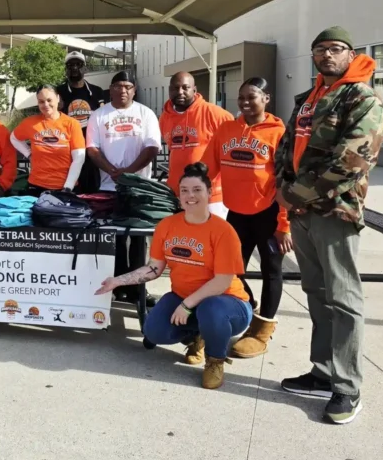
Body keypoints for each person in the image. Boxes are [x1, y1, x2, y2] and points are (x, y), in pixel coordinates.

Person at [275, 27, 383, 425]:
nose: (326, 55)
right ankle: (323, 372)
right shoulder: (309, 99)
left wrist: (296, 194)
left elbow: (354, 159)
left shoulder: (362, 98)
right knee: (317, 294)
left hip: (334, 212)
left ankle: (348, 387)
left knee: (344, 300)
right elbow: (286, 148)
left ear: (350, 53)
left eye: (335, 49)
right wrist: (280, 187)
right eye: (319, 50)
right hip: (304, 213)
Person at [95, 162, 251, 390]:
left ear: (209, 193)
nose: (190, 195)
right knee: (154, 331)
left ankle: (215, 360)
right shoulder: (167, 225)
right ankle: (200, 334)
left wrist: (187, 305)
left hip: (228, 303)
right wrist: (117, 281)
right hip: (183, 297)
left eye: (197, 190)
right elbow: (154, 268)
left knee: (211, 310)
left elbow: (222, 281)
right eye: (184, 190)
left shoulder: (223, 231)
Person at [204, 78, 291, 359]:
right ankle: (249, 304)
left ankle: (262, 331)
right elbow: (208, 166)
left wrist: (285, 224)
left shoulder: (278, 133)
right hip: (236, 214)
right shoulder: (227, 129)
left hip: (268, 214)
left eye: (251, 97)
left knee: (271, 270)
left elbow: (288, 181)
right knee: (231, 269)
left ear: (266, 98)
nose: (244, 102)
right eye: (240, 97)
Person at [86, 71, 161, 306]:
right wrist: (112, 171)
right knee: (114, 238)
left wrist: (129, 173)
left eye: (128, 86)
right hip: (109, 186)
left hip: (140, 188)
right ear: (110, 88)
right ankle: (117, 286)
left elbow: (152, 148)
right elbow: (92, 149)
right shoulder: (98, 115)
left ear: (134, 89)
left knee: (139, 241)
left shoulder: (145, 113)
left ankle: (137, 289)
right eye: (118, 86)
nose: (123, 90)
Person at [160, 72, 233, 218]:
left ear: (194, 89)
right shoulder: (164, 118)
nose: (180, 92)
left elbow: (230, 152)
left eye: (185, 87)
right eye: (175, 88)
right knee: (186, 239)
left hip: (211, 196)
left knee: (213, 239)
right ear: (169, 90)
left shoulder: (216, 115)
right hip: (178, 194)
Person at [10, 85, 86, 194]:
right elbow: (14, 138)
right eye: (41, 101)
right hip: (36, 186)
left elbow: (79, 158)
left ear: (58, 98)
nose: (46, 105)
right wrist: (29, 154)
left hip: (64, 187)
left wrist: (68, 187)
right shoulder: (30, 123)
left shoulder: (72, 124)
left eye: (49, 100)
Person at [57, 51, 108, 193]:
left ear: (85, 68)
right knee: (70, 189)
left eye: (78, 64)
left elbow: (104, 120)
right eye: (70, 65)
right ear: (66, 69)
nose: (74, 68)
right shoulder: (58, 92)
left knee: (92, 190)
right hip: (67, 150)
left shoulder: (97, 92)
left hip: (92, 149)